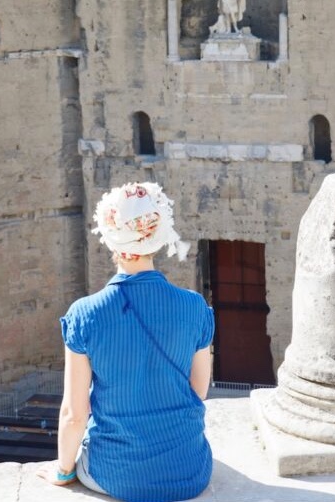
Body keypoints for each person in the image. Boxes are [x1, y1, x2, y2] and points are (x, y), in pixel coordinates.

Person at [37, 182, 214, 502]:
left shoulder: (84, 314)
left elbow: (74, 414)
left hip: (113, 476)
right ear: (159, 236)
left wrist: (63, 471)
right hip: (189, 472)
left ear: (109, 237)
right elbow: (198, 389)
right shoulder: (195, 306)